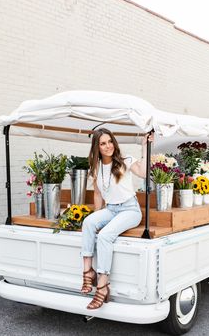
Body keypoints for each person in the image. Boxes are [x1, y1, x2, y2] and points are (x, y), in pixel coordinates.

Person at [81, 128, 154, 310]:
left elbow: (144, 173)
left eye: (110, 141)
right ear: (97, 147)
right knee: (89, 222)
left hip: (130, 210)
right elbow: (98, 194)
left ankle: (103, 283)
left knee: (105, 235)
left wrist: (145, 147)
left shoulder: (125, 161)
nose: (108, 146)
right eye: (103, 143)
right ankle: (87, 270)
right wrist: (98, 217)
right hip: (111, 209)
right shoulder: (96, 167)